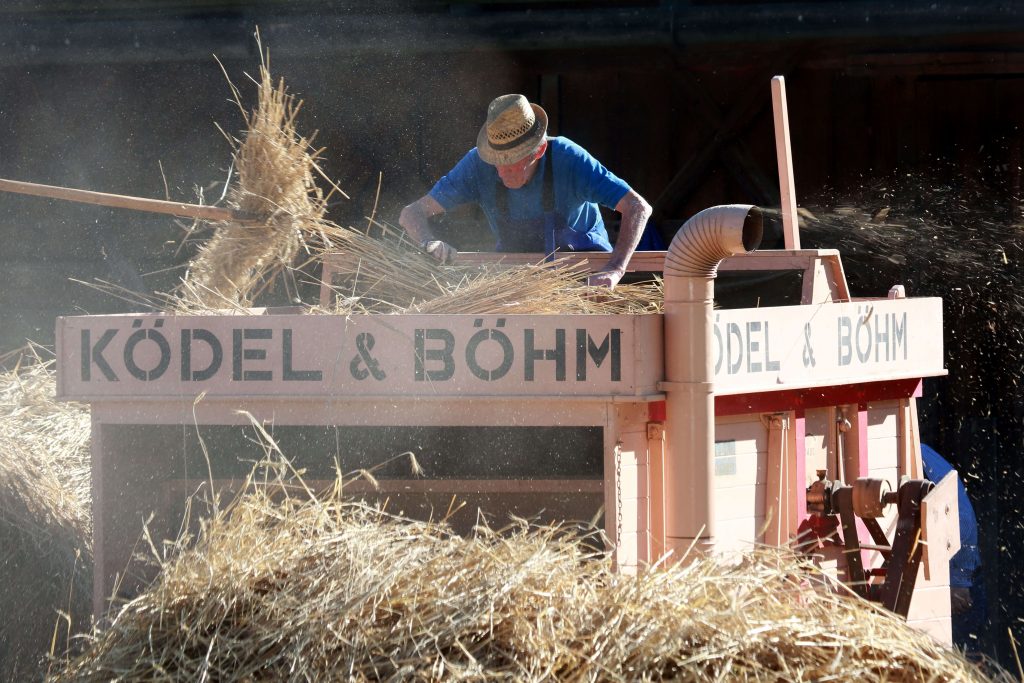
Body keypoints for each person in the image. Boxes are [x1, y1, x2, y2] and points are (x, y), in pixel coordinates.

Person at [399, 93, 652, 289]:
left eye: (511, 162)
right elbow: (411, 214)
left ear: (538, 151)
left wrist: (616, 268)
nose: (500, 171)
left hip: (584, 279)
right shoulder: (478, 164)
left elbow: (638, 207)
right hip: (520, 284)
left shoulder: (568, 159)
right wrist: (428, 242)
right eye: (496, 160)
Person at [920, 443, 986, 654]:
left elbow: (962, 521)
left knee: (960, 660)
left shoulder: (917, 457)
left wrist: (959, 582)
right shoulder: (919, 452)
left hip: (962, 584)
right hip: (960, 577)